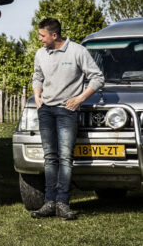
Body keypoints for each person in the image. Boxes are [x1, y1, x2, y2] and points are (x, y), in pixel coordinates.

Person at [30, 18, 104, 220]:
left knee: (65, 158)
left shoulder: (77, 51)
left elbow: (97, 78)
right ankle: (49, 202)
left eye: (42, 36)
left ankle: (62, 203)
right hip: (45, 110)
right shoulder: (40, 53)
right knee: (49, 158)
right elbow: (37, 76)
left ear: (54, 35)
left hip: (67, 112)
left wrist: (80, 99)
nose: (39, 39)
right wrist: (37, 95)